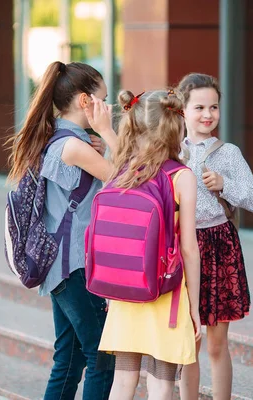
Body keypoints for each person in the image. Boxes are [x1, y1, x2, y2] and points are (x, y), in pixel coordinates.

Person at [6, 61, 117, 400]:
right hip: (74, 265)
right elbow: (126, 181)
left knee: (68, 359)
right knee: (101, 357)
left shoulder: (60, 139)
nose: (106, 106)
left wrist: (97, 143)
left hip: (59, 266)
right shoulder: (72, 146)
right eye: (102, 98)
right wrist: (109, 133)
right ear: (85, 101)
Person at [98, 89, 201, 400]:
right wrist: (195, 307)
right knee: (161, 384)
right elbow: (189, 249)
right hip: (165, 293)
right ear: (175, 126)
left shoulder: (121, 170)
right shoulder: (182, 177)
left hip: (124, 292)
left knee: (123, 382)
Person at [177, 73, 253, 400]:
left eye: (213, 107)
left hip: (218, 245)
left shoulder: (228, 152)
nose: (207, 114)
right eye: (199, 106)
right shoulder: (172, 151)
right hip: (182, 247)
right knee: (188, 341)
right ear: (181, 110)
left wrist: (225, 185)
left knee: (216, 343)